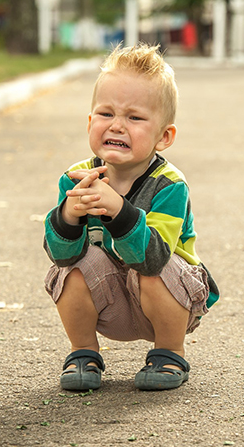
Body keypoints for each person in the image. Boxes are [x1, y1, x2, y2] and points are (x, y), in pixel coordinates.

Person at [42, 43, 219, 392]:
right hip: (110, 302)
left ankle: (170, 354)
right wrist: (68, 216)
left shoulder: (169, 186)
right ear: (91, 122)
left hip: (169, 303)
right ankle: (83, 353)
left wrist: (119, 210)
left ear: (164, 137)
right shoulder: (77, 179)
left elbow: (152, 260)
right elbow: (60, 255)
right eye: (106, 114)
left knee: (154, 268)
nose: (117, 126)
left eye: (134, 118)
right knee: (73, 265)